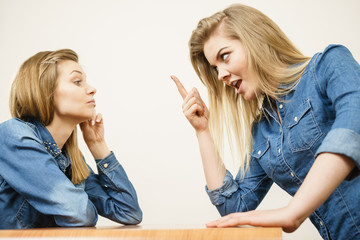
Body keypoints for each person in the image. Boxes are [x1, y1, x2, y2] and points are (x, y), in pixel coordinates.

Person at [171, 4, 360, 239]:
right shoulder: (262, 131)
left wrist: (293, 212)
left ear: (256, 40)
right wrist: (202, 131)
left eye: (225, 56)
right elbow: (234, 208)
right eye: (215, 68)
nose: (220, 75)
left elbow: (354, 123)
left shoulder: (328, 65)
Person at [0, 49, 142, 229]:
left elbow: (129, 212)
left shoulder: (71, 160)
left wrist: (98, 146)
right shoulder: (13, 134)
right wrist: (80, 203)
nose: (92, 89)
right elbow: (78, 213)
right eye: (77, 81)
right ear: (45, 92)